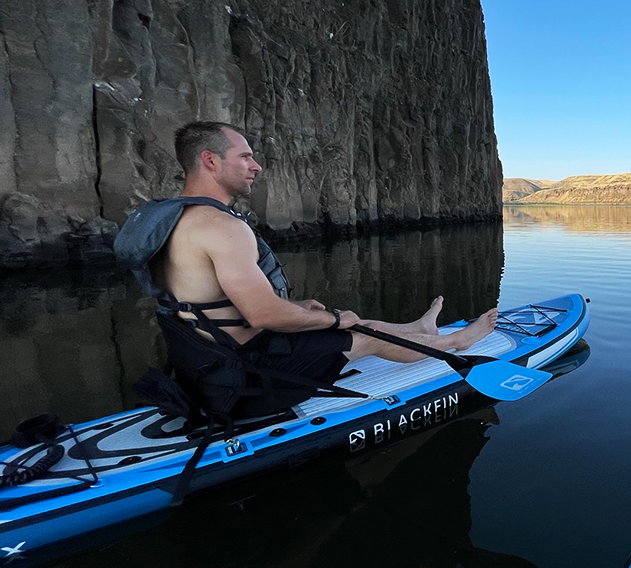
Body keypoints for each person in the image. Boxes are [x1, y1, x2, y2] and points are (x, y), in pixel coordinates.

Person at [118, 121, 497, 419]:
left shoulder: (174, 222)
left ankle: (421, 330)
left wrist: (304, 308)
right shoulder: (221, 227)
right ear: (210, 160)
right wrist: (333, 319)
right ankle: (456, 343)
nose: (256, 166)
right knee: (362, 335)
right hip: (245, 384)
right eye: (245, 157)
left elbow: (217, 305)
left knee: (352, 322)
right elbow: (263, 314)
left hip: (205, 372)